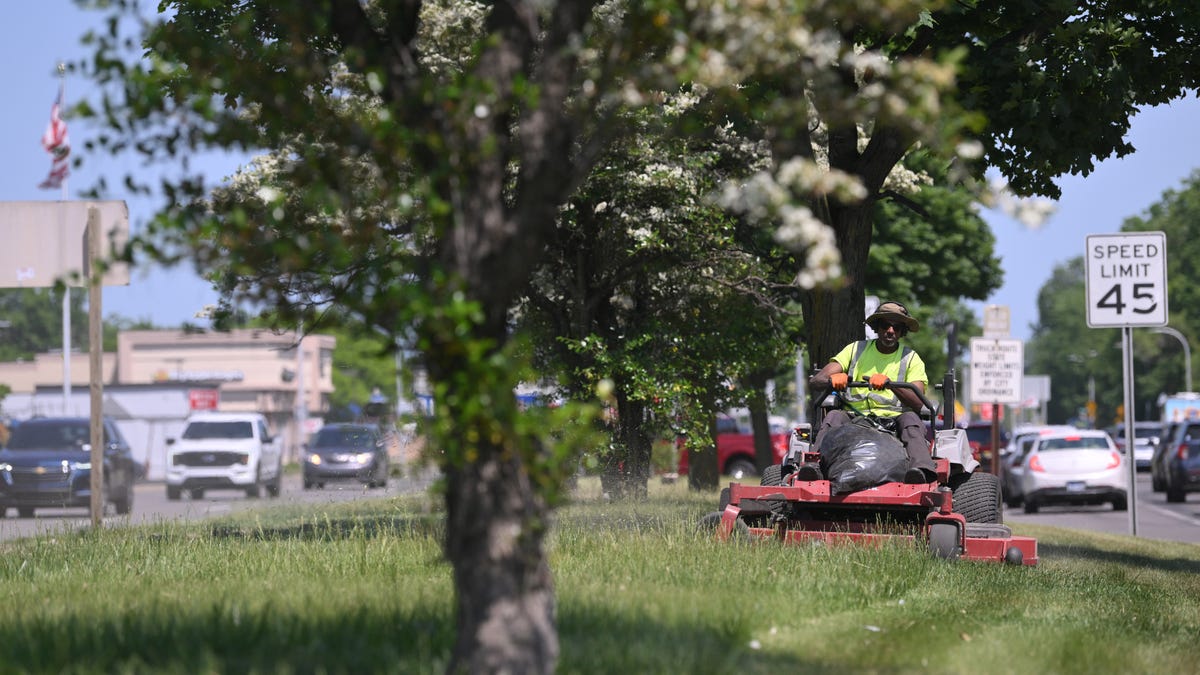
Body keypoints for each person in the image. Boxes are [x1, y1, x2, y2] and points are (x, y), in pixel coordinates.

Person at [805, 300, 937, 484]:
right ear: (877, 327)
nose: (890, 331)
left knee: (911, 419)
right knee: (834, 415)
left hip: (894, 421)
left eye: (897, 327)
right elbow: (816, 381)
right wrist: (832, 380)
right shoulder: (855, 349)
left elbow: (917, 402)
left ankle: (921, 472)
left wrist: (890, 384)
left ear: (902, 331)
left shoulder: (911, 358)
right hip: (853, 417)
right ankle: (813, 466)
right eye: (885, 325)